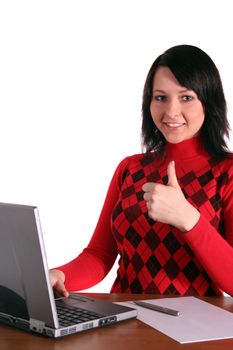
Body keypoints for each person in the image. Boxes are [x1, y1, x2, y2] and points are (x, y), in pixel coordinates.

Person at [50, 44, 233, 298]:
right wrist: (59, 276)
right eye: (160, 97)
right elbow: (99, 256)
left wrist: (188, 219)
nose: (171, 111)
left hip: (196, 330)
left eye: (186, 97)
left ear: (209, 101)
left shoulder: (227, 173)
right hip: (125, 322)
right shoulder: (130, 169)